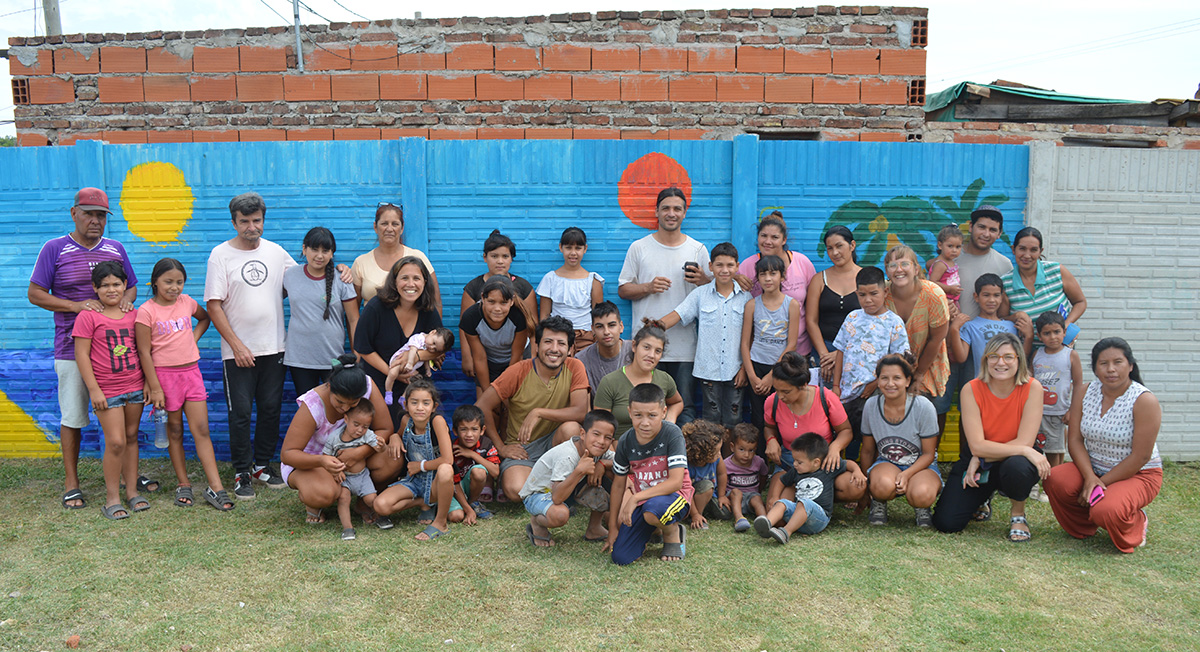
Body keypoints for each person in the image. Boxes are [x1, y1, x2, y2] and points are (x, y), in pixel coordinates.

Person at [28, 187, 143, 510]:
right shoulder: (55, 249)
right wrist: (75, 306)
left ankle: (128, 481)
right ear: (74, 213)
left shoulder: (115, 249)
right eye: (89, 214)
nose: (95, 221)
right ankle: (71, 483)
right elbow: (35, 293)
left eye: (101, 215)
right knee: (74, 415)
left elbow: (131, 287)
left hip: (115, 355)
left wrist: (125, 303)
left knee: (124, 425)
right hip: (71, 349)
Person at [205, 191, 296, 499]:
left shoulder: (276, 252)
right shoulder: (220, 255)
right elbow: (213, 305)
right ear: (234, 223)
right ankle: (242, 471)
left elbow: (300, 279)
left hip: (275, 347)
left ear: (263, 220)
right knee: (241, 413)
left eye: (256, 220)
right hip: (238, 352)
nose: (251, 227)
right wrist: (237, 345)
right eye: (244, 221)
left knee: (270, 409)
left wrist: (339, 271)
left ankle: (262, 465)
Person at [1044, 338, 1162, 553]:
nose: (1111, 369)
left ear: (1130, 366)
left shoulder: (1144, 400)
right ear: (1095, 368)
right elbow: (1075, 440)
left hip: (1138, 474)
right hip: (1094, 467)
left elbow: (1141, 456)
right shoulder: (1084, 391)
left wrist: (1099, 483)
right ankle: (1085, 525)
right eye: (1103, 363)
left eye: (1118, 362)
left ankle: (1136, 521)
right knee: (1055, 479)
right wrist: (1090, 477)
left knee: (1107, 510)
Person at [135, 259, 233, 512]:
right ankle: (183, 483)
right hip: (164, 379)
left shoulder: (187, 302)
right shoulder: (146, 311)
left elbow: (205, 318)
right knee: (175, 431)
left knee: (201, 429)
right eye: (168, 282)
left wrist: (192, 338)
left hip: (191, 374)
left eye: (179, 282)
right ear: (155, 282)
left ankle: (216, 487)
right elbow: (143, 352)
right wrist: (155, 387)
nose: (174, 287)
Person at [932, 333, 1050, 541]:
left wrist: (983, 456)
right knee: (946, 522)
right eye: (993, 356)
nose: (1000, 362)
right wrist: (979, 455)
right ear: (986, 360)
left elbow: (1025, 442)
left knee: (1018, 467)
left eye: (1008, 357)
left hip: (1014, 459)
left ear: (1019, 360)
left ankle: (1018, 515)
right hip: (981, 456)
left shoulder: (1032, 387)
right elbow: (976, 446)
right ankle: (983, 497)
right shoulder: (971, 389)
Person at [618, 187, 711, 423]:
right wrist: (648, 287)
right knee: (645, 407)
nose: (671, 213)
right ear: (657, 212)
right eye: (666, 208)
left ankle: (681, 448)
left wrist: (704, 280)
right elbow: (623, 289)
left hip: (684, 346)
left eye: (677, 209)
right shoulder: (639, 247)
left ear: (684, 213)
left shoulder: (697, 249)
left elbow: (715, 293)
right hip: (646, 345)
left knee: (685, 407)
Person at [476, 316, 589, 502]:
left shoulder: (575, 366)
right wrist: (501, 448)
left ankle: (558, 487)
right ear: (536, 345)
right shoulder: (519, 370)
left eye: (561, 343)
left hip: (555, 442)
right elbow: (481, 407)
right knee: (515, 490)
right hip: (523, 448)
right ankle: (556, 487)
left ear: (570, 349)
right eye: (548, 342)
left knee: (572, 429)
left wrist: (538, 412)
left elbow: (580, 411)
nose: (554, 349)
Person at [72, 262, 148, 520]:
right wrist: (94, 390)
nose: (111, 289)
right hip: (107, 390)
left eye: (116, 284)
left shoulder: (134, 314)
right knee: (115, 441)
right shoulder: (88, 316)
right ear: (95, 288)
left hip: (134, 386)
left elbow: (144, 350)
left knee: (131, 437)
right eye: (104, 285)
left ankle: (132, 491)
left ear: (125, 285)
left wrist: (148, 383)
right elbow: (81, 355)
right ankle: (112, 498)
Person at [279, 355, 392, 526]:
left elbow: (385, 428)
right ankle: (314, 502)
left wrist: (359, 453)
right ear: (330, 387)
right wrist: (322, 461)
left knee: (391, 459)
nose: (345, 408)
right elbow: (288, 454)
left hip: (352, 455)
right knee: (324, 493)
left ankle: (363, 502)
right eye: (340, 402)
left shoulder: (367, 385)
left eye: (353, 403)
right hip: (312, 461)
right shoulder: (312, 404)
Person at [934, 206, 1014, 436]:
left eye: (993, 229)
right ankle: (932, 455)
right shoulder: (952, 256)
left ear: (999, 234)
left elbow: (1003, 305)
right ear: (970, 227)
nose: (986, 233)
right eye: (981, 227)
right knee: (939, 404)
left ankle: (969, 455)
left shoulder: (1004, 265)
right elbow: (930, 288)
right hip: (947, 343)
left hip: (981, 347)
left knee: (972, 407)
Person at [655, 242, 750, 429]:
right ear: (710, 266)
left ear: (737, 267)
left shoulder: (746, 298)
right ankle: (713, 450)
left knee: (734, 419)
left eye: (730, 265)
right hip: (708, 371)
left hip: (736, 370)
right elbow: (678, 314)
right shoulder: (700, 295)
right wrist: (652, 327)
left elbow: (750, 336)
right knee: (710, 419)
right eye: (719, 265)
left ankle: (729, 450)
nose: (724, 270)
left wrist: (744, 369)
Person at [604, 383, 694, 565]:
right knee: (620, 557)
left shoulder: (672, 433)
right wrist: (613, 528)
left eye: (652, 415)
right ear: (629, 412)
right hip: (645, 501)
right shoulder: (625, 441)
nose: (645, 423)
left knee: (653, 511)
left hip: (675, 496)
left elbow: (676, 482)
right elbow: (619, 485)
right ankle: (653, 529)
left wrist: (636, 498)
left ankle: (672, 532)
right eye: (638, 415)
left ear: (663, 412)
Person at [353, 256, 443, 432]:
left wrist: (417, 356)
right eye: (404, 278)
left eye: (416, 278)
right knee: (384, 434)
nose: (411, 284)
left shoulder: (428, 310)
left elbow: (440, 348)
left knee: (414, 434)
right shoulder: (376, 307)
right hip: (379, 383)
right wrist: (393, 373)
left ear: (425, 282)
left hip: (414, 385)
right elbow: (363, 348)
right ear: (394, 281)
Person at [763, 352, 861, 507]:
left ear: (803, 385)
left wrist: (835, 448)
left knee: (854, 487)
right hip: (790, 463)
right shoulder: (772, 401)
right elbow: (769, 427)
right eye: (777, 390)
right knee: (775, 506)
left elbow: (846, 431)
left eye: (786, 391)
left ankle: (819, 495)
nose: (780, 396)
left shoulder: (826, 397)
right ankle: (804, 496)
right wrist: (771, 440)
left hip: (822, 462)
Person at [832, 266, 910, 451]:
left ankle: (870, 467)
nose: (868, 300)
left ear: (885, 292)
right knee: (846, 435)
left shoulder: (894, 322)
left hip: (875, 393)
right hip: (846, 393)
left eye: (874, 294)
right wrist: (835, 386)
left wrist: (875, 384)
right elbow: (841, 351)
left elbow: (898, 361)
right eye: (862, 295)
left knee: (871, 439)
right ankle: (848, 466)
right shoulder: (852, 317)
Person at [861, 353, 942, 528]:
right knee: (882, 485)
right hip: (887, 462)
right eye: (884, 378)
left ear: (907, 381)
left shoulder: (923, 406)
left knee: (922, 494)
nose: (890, 384)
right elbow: (867, 450)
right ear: (878, 381)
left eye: (897, 378)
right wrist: (867, 488)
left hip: (922, 464)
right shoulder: (871, 405)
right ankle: (878, 502)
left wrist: (906, 474)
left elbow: (928, 454)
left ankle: (922, 508)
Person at [372, 379, 456, 541]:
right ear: (406, 405)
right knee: (380, 505)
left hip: (436, 483)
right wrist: (395, 437)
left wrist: (421, 466)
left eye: (426, 403)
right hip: (414, 480)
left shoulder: (437, 422)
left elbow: (448, 459)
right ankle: (422, 503)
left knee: (446, 469)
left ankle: (441, 523)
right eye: (414, 402)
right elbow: (399, 434)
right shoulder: (406, 421)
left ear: (434, 407)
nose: (420, 408)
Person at [520, 409, 617, 547]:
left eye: (607, 437)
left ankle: (594, 528)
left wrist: (603, 464)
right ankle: (537, 523)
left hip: (567, 490)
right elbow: (556, 498)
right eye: (596, 434)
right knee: (560, 515)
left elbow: (627, 464)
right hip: (540, 494)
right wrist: (579, 471)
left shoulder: (601, 451)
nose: (601, 441)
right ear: (582, 434)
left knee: (612, 473)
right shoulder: (567, 456)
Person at [283, 227, 360, 397]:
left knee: (336, 405)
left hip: (333, 358)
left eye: (325, 250)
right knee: (306, 405)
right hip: (299, 359)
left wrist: (357, 355)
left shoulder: (342, 278)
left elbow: (354, 319)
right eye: (314, 249)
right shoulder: (290, 275)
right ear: (304, 249)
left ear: (332, 253)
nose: (319, 255)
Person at [754, 433, 864, 544]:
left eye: (799, 462)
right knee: (782, 503)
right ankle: (767, 524)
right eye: (794, 460)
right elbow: (781, 481)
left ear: (816, 462)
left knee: (805, 503)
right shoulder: (796, 471)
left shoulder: (827, 467)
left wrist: (857, 471)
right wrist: (775, 497)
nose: (795, 464)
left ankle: (786, 532)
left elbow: (848, 463)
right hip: (798, 516)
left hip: (819, 518)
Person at [460, 230, 537, 385]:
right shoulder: (473, 287)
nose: (500, 261)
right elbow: (465, 326)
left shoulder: (523, 287)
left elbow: (533, 326)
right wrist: (467, 356)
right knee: (486, 393)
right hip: (486, 354)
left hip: (519, 352)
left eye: (505, 256)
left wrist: (535, 357)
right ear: (485, 257)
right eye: (494, 256)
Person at [734, 212, 817, 356]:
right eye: (763, 236)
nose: (768, 241)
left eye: (774, 237)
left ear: (784, 240)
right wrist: (734, 278)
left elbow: (814, 307)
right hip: (761, 353)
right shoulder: (747, 266)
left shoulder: (802, 263)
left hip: (799, 351)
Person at [882, 245, 950, 402]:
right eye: (893, 265)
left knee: (926, 409)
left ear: (916, 269)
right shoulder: (881, 293)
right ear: (887, 271)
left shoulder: (934, 294)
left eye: (905, 264)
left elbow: (936, 339)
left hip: (927, 365)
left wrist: (918, 374)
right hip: (890, 370)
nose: (899, 269)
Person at [1001, 226, 1087, 348]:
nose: (1027, 255)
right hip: (1026, 351)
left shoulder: (1056, 271)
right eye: (1022, 249)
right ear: (1013, 249)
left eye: (1033, 250)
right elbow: (1001, 319)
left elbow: (1080, 302)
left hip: (1061, 349)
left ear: (1040, 251)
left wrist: (1065, 326)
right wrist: (1015, 316)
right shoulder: (1005, 283)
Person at [741, 254, 801, 430]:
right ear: (758, 278)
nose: (768, 278)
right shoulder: (752, 305)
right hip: (757, 366)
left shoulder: (791, 305)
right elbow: (745, 343)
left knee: (782, 415)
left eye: (773, 273)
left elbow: (792, 344)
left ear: (782, 276)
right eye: (763, 274)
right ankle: (761, 449)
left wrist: (772, 376)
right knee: (758, 418)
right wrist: (752, 376)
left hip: (781, 368)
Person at [594, 323, 683, 436]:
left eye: (658, 351)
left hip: (658, 445)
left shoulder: (664, 379)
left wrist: (670, 419)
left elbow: (677, 402)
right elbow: (600, 425)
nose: (651, 355)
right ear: (634, 346)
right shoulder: (610, 382)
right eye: (646, 347)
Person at [351, 202, 440, 311]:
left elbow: (436, 302)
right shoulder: (361, 262)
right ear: (375, 227)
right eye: (384, 223)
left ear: (402, 228)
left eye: (395, 224)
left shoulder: (418, 257)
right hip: (373, 322)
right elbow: (353, 311)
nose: (389, 229)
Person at [806, 226, 861, 387]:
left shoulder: (865, 278)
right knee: (823, 398)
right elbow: (811, 321)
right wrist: (824, 356)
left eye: (839, 246)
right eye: (830, 248)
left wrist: (841, 354)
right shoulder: (819, 279)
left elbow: (872, 322)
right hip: (823, 352)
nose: (835, 252)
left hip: (857, 352)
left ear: (852, 245)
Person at [460, 276, 533, 396]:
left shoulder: (519, 317)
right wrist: (488, 394)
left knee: (512, 399)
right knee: (485, 401)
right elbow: (479, 357)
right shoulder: (471, 317)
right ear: (483, 298)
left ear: (512, 301)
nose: (497, 309)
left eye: (503, 302)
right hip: (489, 360)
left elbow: (516, 356)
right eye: (491, 302)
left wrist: (504, 391)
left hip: (515, 360)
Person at [323, 401, 385, 540]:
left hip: (362, 476)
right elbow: (326, 456)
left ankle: (380, 517)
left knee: (372, 499)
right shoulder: (334, 437)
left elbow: (378, 448)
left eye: (365, 426)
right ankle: (347, 528)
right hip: (344, 478)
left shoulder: (367, 435)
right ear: (346, 419)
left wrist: (382, 446)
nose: (360, 430)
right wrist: (335, 471)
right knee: (343, 499)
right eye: (356, 424)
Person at [1030, 312, 1082, 473]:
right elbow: (1030, 381)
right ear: (1039, 336)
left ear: (1064, 332)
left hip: (1059, 412)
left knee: (1056, 451)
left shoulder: (1070, 355)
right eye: (1047, 333)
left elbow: (1078, 385)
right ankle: (1045, 479)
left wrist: (1072, 410)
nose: (1053, 337)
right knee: (1040, 449)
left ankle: (1054, 480)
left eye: (1057, 332)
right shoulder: (1037, 355)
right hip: (1038, 412)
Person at [537, 227, 604, 352]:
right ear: (561, 247)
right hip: (557, 336)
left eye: (578, 248)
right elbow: (544, 316)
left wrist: (596, 337)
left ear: (585, 249)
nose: (573, 253)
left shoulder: (593, 280)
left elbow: (599, 316)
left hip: (586, 337)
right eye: (568, 248)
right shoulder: (550, 279)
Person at [449, 404, 500, 513]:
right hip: (454, 489)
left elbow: (495, 472)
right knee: (456, 516)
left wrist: (472, 454)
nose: (469, 434)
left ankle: (473, 503)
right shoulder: (451, 448)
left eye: (474, 429)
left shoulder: (486, 444)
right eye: (463, 429)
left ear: (482, 430)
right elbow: (452, 482)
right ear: (455, 431)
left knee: (479, 471)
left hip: (470, 487)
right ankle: (463, 506)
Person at [384, 327, 455, 405]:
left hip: (411, 367)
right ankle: (388, 392)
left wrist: (427, 369)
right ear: (432, 332)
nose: (432, 347)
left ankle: (403, 397)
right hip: (399, 361)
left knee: (414, 381)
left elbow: (426, 359)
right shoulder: (418, 338)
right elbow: (412, 350)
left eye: (435, 349)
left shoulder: (427, 345)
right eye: (434, 343)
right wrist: (410, 363)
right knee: (392, 373)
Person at [575, 301, 632, 394]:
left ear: (621, 327)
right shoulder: (582, 360)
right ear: (593, 330)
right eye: (600, 327)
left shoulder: (634, 351)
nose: (606, 332)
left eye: (611, 325)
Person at [682, 419, 728, 530]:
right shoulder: (687, 465)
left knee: (726, 513)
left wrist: (721, 496)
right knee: (707, 486)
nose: (719, 454)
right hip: (688, 499)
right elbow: (686, 491)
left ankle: (701, 512)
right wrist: (695, 514)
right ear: (701, 454)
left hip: (709, 497)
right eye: (716, 452)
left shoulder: (717, 459)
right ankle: (694, 516)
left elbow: (722, 474)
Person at [724, 423, 768, 533]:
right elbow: (721, 483)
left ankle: (765, 520)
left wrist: (758, 491)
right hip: (733, 499)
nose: (746, 455)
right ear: (732, 447)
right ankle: (739, 519)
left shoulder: (759, 462)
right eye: (742, 449)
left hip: (751, 497)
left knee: (756, 498)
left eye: (751, 450)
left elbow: (764, 476)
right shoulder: (726, 465)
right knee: (736, 492)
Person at [927, 225, 963, 310]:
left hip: (952, 299)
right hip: (942, 300)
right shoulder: (941, 264)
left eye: (958, 247)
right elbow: (933, 282)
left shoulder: (951, 261)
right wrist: (949, 289)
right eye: (950, 246)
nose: (954, 250)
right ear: (940, 245)